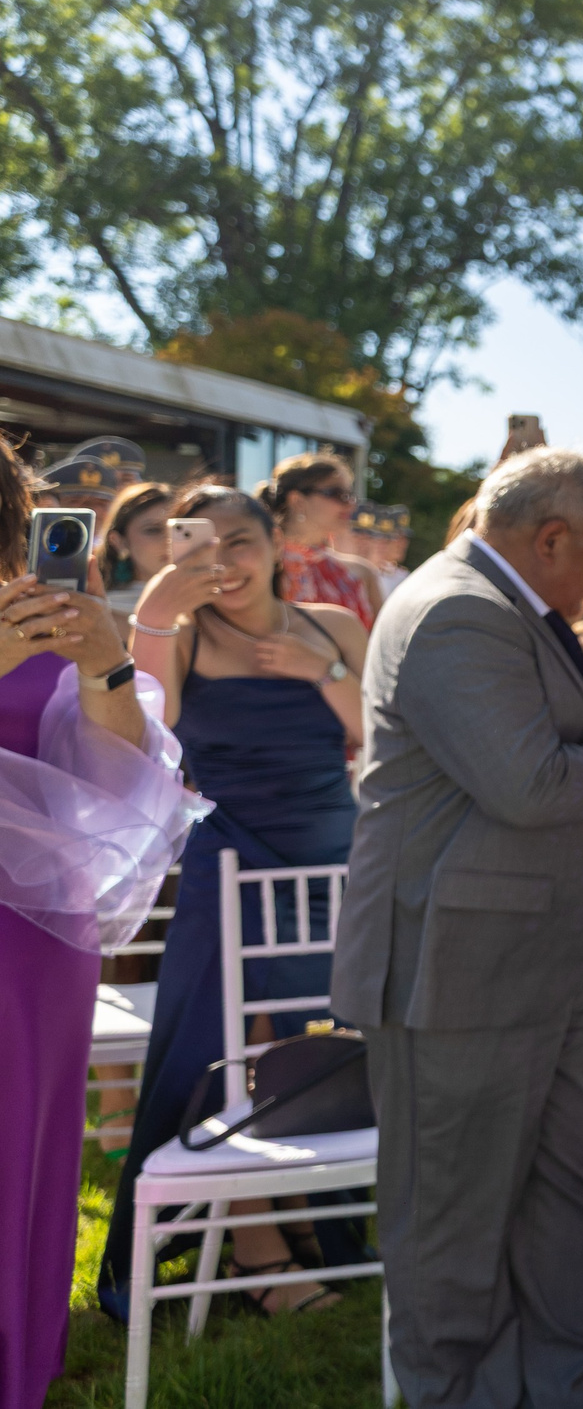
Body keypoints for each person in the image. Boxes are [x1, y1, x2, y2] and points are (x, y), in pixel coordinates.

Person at [331, 449, 583, 1409]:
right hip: (455, 977)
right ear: (550, 539)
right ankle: (456, 1392)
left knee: (554, 1202)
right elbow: (530, 782)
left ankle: (559, 1383)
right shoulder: (455, 609)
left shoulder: (506, 605)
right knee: (452, 1230)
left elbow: (551, 759)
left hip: (530, 966)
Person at [101, 484, 371, 1317]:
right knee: (223, 1046)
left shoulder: (337, 623)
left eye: (240, 541)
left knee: (312, 1040)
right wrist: (154, 614)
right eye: (202, 543)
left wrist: (319, 669)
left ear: (276, 546)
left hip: (330, 858)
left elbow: (379, 730)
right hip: (230, 858)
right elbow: (150, 732)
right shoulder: (178, 635)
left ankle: (302, 1207)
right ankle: (253, 1245)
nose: (222, 561)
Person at [0, 447, 190, 1409]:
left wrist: (105, 660)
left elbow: (117, 784)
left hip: (31, 938)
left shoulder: (34, 611)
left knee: (18, 1152)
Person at [260, 451, 382, 627]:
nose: (350, 504)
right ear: (297, 501)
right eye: (337, 493)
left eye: (350, 495)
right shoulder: (262, 567)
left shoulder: (362, 573)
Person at [99, 481, 175, 627]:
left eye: (179, 529)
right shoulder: (94, 612)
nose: (169, 540)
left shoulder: (214, 606)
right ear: (119, 541)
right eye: (153, 530)